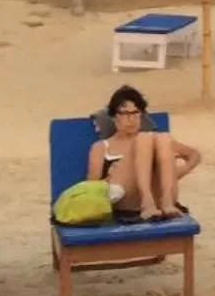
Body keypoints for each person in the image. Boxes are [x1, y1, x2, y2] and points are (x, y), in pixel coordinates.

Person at [86, 84, 201, 221]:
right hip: (125, 199)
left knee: (163, 138)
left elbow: (194, 155)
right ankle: (147, 202)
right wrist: (112, 175)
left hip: (159, 196)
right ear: (113, 116)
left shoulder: (157, 141)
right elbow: (92, 188)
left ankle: (167, 201)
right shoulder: (101, 147)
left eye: (136, 113)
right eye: (125, 113)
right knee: (144, 139)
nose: (131, 119)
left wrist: (177, 172)